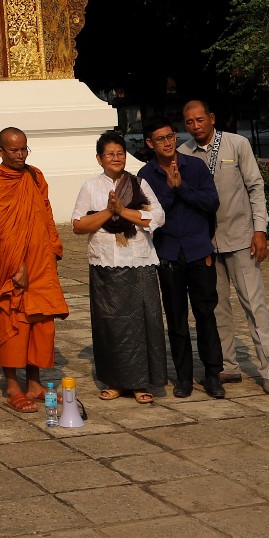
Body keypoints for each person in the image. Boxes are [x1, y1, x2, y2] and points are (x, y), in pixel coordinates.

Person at [180, 100, 269, 394]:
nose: (196, 126)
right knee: (217, 308)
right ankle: (228, 365)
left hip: (241, 238)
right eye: (189, 122)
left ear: (211, 118)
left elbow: (255, 186)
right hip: (206, 244)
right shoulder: (184, 153)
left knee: (254, 305)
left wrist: (260, 230)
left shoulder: (236, 144)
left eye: (200, 120)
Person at [71, 131, 167, 403]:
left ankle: (141, 383)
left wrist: (123, 211)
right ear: (99, 158)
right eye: (110, 154)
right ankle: (115, 381)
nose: (116, 158)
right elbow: (79, 225)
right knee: (110, 324)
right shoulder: (90, 187)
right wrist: (108, 212)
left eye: (120, 153)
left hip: (139, 263)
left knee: (142, 322)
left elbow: (156, 217)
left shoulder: (139, 184)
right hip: (106, 266)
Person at [0, 127, 67, 412]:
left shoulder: (35, 175)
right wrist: (17, 266)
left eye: (24, 149)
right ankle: (13, 386)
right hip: (12, 265)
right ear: (1, 152)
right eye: (14, 151)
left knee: (41, 323)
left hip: (40, 261)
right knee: (13, 320)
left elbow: (45, 210)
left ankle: (34, 382)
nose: (20, 155)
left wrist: (53, 245)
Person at [139, 122, 224, 398]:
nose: (167, 142)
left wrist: (182, 187)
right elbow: (150, 213)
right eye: (160, 138)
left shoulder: (195, 167)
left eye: (171, 136)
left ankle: (213, 375)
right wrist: (171, 189)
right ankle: (184, 378)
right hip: (169, 255)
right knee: (176, 320)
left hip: (199, 250)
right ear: (150, 144)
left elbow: (212, 203)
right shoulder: (146, 175)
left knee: (206, 315)